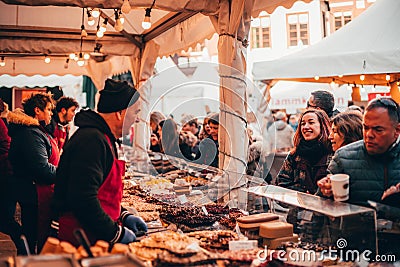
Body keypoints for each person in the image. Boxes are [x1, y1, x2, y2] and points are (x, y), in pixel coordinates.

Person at [52, 79, 147, 247]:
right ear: (120, 113)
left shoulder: (104, 138)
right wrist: (116, 233)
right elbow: (83, 199)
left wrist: (123, 215)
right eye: (135, 112)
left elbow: (102, 193)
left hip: (95, 234)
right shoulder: (91, 141)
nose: (137, 119)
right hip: (80, 237)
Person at [318, 97, 400, 207]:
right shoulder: (343, 158)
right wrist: (326, 192)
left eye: (378, 129)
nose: (369, 135)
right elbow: (320, 207)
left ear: (397, 131)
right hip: (356, 224)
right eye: (365, 128)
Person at [7, 93, 59, 254]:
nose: (51, 113)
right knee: (32, 240)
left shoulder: (36, 131)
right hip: (35, 195)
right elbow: (42, 169)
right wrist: (67, 173)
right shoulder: (30, 134)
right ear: (37, 110)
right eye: (49, 109)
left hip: (38, 193)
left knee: (33, 238)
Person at [275, 109, 332, 194]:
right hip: (298, 205)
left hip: (326, 206)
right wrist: (302, 193)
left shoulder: (333, 153)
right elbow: (281, 182)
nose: (305, 127)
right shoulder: (294, 155)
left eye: (311, 122)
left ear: (322, 125)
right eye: (302, 124)